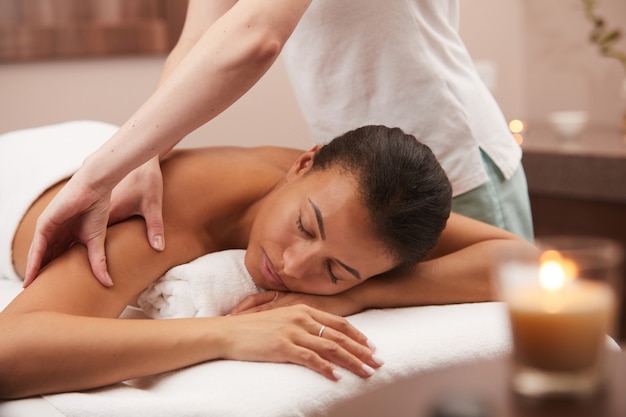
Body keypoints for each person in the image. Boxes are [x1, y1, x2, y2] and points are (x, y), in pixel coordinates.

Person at [24, 0, 535, 289]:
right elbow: (199, 41)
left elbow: (257, 38)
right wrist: (143, 157)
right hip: (345, 188)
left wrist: (98, 175)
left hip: (448, 167)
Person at [0, 123, 534, 399]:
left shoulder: (359, 211)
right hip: (24, 167)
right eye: (305, 226)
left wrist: (362, 294)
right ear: (302, 163)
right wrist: (227, 335)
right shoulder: (163, 217)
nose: (295, 266)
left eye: (335, 270)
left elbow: (525, 261)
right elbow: (10, 351)